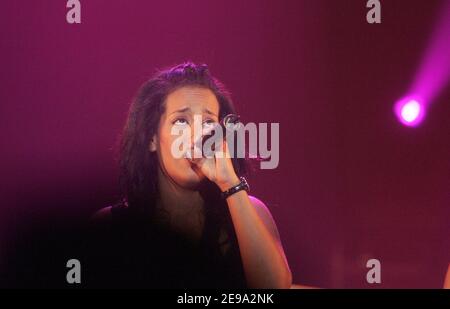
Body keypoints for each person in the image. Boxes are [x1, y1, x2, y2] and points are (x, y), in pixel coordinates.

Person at [88, 62, 292, 288]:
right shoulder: (110, 227)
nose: (198, 134)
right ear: (152, 139)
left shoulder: (250, 211)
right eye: (181, 121)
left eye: (208, 122)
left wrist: (229, 182)